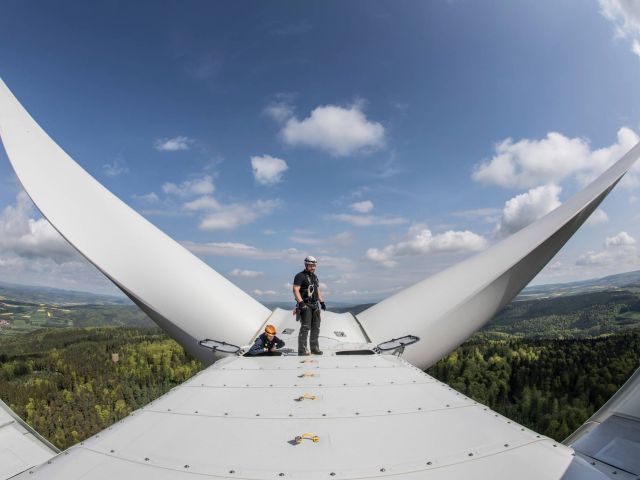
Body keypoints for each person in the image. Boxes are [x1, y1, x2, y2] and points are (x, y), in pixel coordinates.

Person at [293, 256, 326, 356]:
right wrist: (301, 303)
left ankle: (315, 349)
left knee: (316, 327)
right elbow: (295, 290)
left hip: (315, 305)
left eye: (314, 265)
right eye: (311, 266)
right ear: (306, 265)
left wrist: (322, 302)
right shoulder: (300, 276)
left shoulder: (314, 277)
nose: (313, 267)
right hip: (305, 304)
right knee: (305, 327)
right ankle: (302, 350)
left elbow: (317, 290)